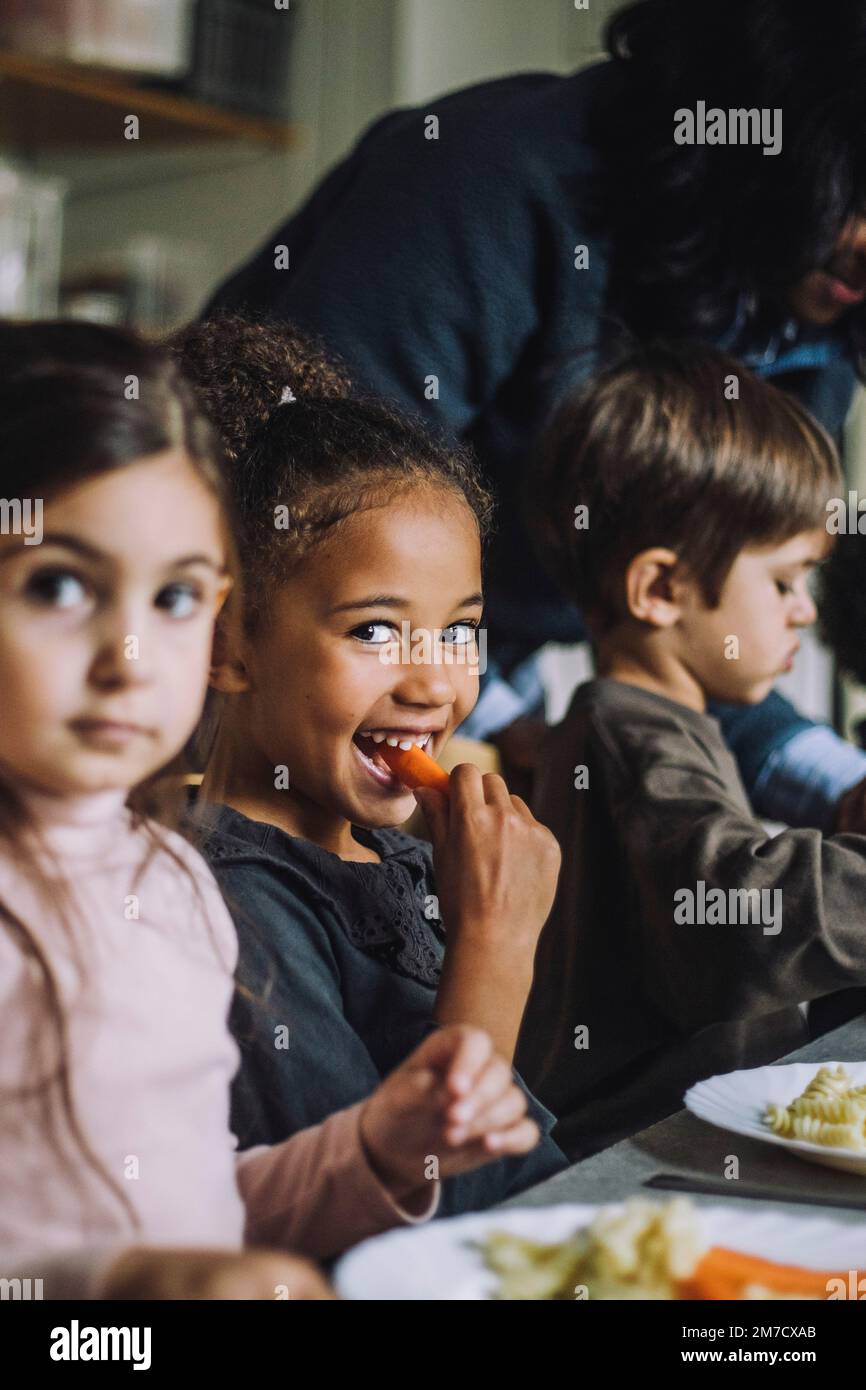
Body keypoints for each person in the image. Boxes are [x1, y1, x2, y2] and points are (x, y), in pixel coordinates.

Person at [204, 0, 866, 833]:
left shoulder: (815, 321)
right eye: (851, 182)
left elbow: (692, 629)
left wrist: (839, 786)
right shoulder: (490, 184)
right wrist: (484, 715)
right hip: (250, 708)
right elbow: (313, 544)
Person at [0, 320, 544, 1299]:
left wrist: (378, 1153)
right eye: (61, 585)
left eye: (173, 597)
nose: (132, 659)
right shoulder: (223, 880)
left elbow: (209, 1203)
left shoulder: (161, 887)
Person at [170, 313, 567, 1216]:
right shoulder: (227, 912)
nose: (435, 681)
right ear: (229, 643)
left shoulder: (402, 861)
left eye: (461, 629)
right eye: (375, 630)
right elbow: (396, 1230)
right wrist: (493, 950)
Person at [514, 342, 866, 1159]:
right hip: (635, 1153)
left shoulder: (649, 725)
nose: (803, 613)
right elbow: (738, 914)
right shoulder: (627, 732)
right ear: (661, 590)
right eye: (782, 582)